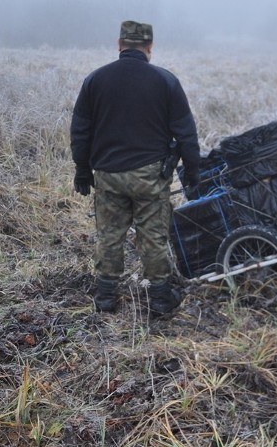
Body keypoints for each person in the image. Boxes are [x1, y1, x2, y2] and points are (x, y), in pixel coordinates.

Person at [70, 20, 200, 315]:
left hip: (108, 175)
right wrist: (193, 171)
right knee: (153, 237)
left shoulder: (95, 80)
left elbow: (80, 130)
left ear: (119, 45)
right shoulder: (166, 81)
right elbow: (187, 134)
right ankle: (161, 300)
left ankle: (105, 298)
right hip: (149, 176)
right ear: (150, 48)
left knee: (110, 235)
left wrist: (82, 169)